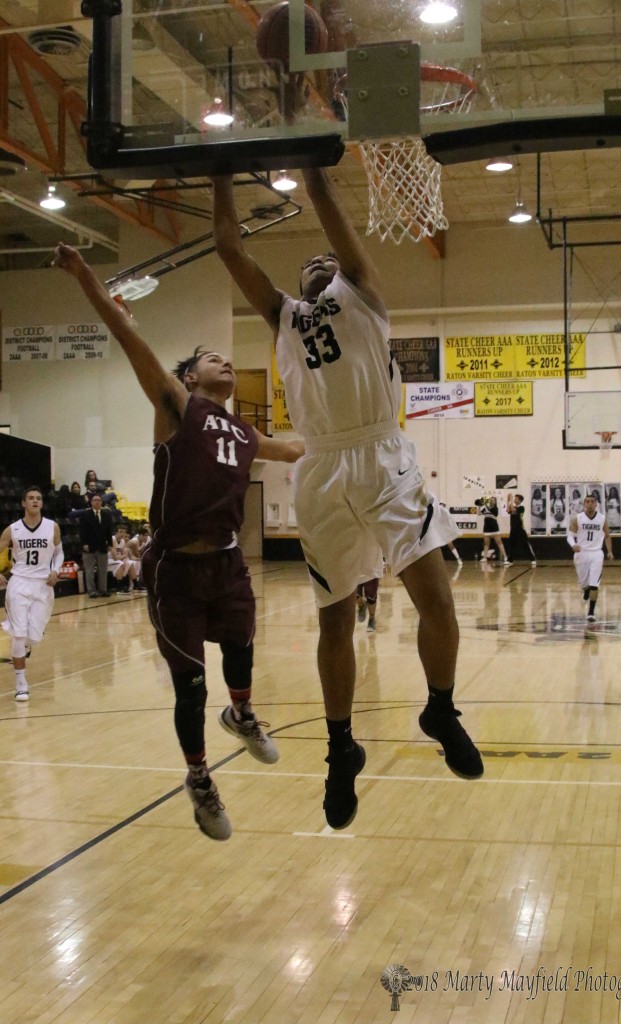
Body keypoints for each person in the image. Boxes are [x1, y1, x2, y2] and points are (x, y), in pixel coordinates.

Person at [212, 169, 483, 832]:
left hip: (382, 456)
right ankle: (341, 748)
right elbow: (228, 249)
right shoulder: (281, 315)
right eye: (308, 262)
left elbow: (331, 211)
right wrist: (221, 175)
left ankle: (440, 709)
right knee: (333, 623)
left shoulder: (361, 291)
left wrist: (313, 168)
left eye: (326, 261)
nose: (318, 261)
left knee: (436, 596)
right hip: (322, 465)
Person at [54, 242, 304, 843]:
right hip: (175, 573)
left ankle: (241, 714)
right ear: (189, 376)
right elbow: (124, 334)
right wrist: (85, 274)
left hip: (225, 564)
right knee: (190, 685)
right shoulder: (176, 405)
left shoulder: (242, 430)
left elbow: (297, 449)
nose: (223, 361)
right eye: (211, 358)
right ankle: (199, 780)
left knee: (243, 644)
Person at [0, 486, 62, 701]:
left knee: (33, 637)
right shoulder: (12, 529)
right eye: (31, 498)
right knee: (19, 635)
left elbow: (59, 551)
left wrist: (56, 569)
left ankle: (26, 640)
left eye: (38, 498)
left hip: (43, 585)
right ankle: (21, 683)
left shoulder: (52, 527)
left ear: (42, 503)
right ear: (23, 503)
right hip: (19, 583)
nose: (35, 501)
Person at [567, 493, 614, 622]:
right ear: (584, 504)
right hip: (581, 553)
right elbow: (570, 535)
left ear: (596, 503)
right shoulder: (577, 518)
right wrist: (573, 544)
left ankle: (591, 612)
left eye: (592, 501)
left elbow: (608, 536)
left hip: (596, 554)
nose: (590, 504)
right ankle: (585, 589)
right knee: (583, 583)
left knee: (595, 584)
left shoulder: (602, 519)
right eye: (587, 501)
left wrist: (609, 551)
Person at [79, 492, 114, 597]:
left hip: (102, 545)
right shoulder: (85, 514)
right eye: (95, 500)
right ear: (91, 502)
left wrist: (110, 543)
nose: (97, 502)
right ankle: (91, 590)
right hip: (89, 546)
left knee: (103, 569)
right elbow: (82, 531)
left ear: (101, 502)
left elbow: (109, 530)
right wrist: (84, 543)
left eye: (99, 500)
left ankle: (103, 589)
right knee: (89, 570)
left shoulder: (106, 514)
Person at [506, 494, 536, 565]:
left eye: (516, 498)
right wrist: (508, 501)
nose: (514, 499)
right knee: (511, 544)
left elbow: (513, 510)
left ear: (519, 500)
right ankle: (510, 561)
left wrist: (510, 498)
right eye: (514, 498)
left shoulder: (521, 507)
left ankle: (533, 559)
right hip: (513, 529)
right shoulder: (514, 507)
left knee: (525, 544)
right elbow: (508, 510)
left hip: (520, 529)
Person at [477, 496, 509, 564]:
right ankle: (485, 557)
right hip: (486, 527)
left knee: (499, 542)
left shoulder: (495, 508)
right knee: (486, 543)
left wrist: (484, 504)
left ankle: (505, 557)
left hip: (494, 527)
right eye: (491, 500)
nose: (492, 501)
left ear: (495, 502)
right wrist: (479, 505)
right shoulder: (486, 508)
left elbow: (493, 513)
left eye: (493, 500)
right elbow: (479, 513)